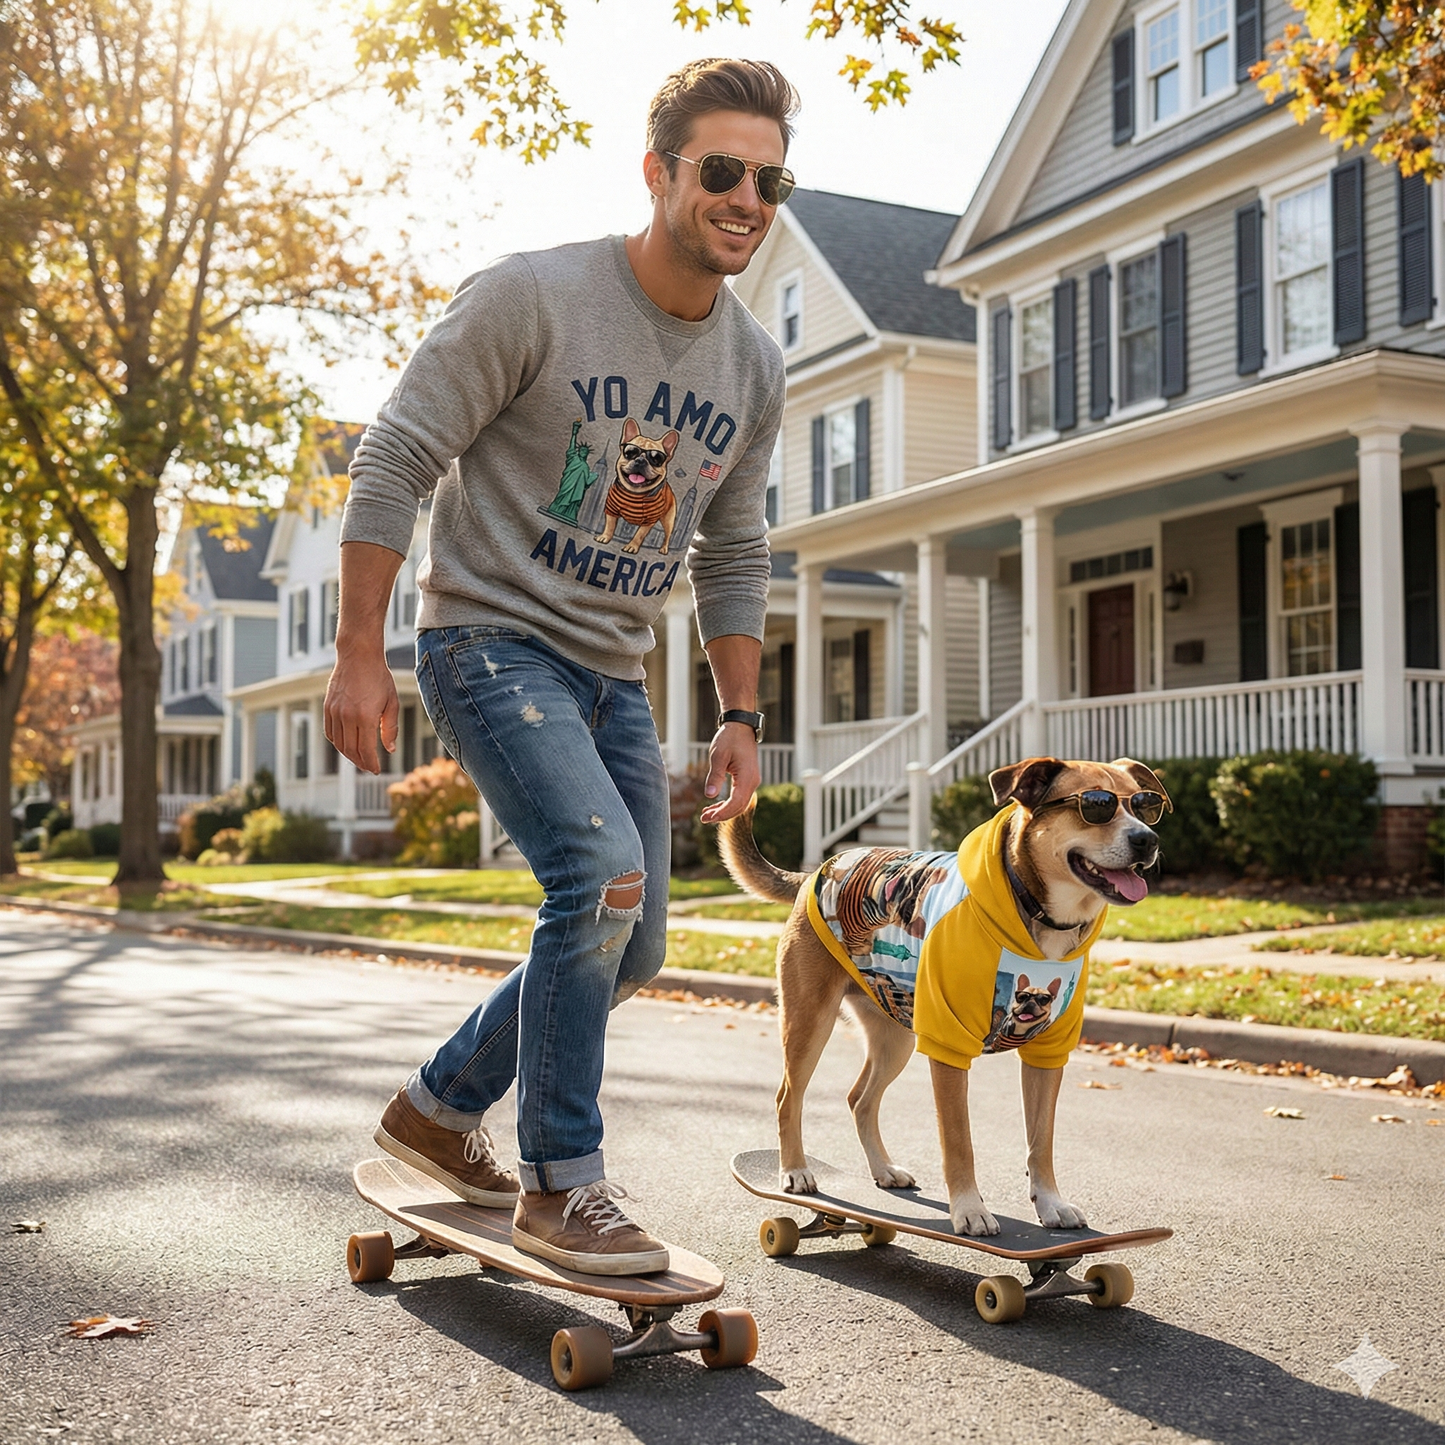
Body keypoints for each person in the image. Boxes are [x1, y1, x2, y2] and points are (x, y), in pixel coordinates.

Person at [324, 58, 797, 1276]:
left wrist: (741, 705)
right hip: (485, 638)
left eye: (769, 177)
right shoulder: (531, 297)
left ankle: (435, 1107)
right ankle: (562, 1183)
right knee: (595, 874)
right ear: (658, 173)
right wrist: (356, 654)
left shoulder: (752, 366)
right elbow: (393, 460)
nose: (746, 197)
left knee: (631, 943)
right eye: (721, 171)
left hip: (612, 675)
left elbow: (734, 547)